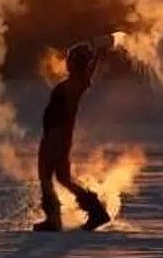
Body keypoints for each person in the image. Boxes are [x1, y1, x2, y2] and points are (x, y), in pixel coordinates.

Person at [33, 34, 114, 231]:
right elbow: (89, 71)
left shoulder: (76, 82)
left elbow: (87, 72)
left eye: (71, 60)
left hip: (57, 134)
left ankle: (54, 219)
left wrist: (98, 53)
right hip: (59, 133)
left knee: (46, 176)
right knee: (63, 178)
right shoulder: (78, 81)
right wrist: (98, 53)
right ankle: (96, 211)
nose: (67, 63)